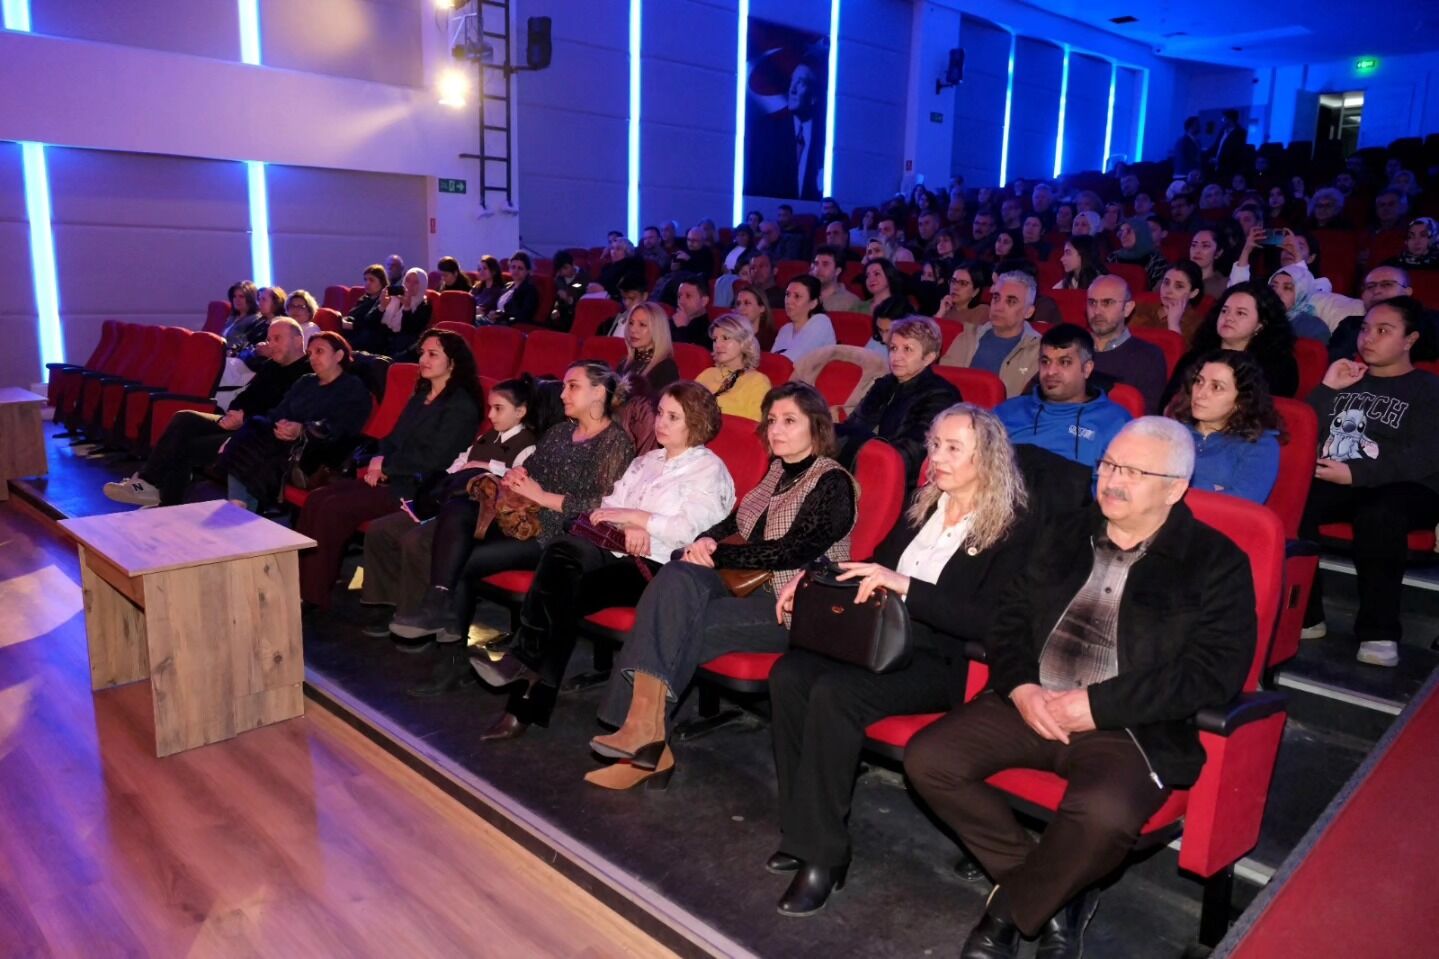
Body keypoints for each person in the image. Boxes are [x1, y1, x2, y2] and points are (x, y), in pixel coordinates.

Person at [905, 417, 1257, 959]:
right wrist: (1021, 687)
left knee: (1105, 815)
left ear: (1175, 487)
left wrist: (1096, 705)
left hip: (1127, 725)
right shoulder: (1064, 531)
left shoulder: (1215, 561)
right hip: (1031, 702)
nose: (1112, 481)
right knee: (929, 759)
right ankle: (1061, 892)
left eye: (1134, 472)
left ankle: (1009, 911)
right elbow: (1009, 620)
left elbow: (1213, 672)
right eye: (1109, 465)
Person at [768, 404, 1033, 916]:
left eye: (953, 448)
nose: (936, 457)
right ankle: (802, 832)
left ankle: (824, 857)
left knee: (833, 693)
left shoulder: (1010, 530)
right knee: (789, 673)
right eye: (934, 444)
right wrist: (813, 581)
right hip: (882, 646)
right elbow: (876, 567)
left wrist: (908, 587)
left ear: (990, 459)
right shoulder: (924, 509)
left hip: (945, 662)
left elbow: (992, 622)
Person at [585, 382, 858, 789]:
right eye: (771, 421)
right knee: (675, 578)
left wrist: (719, 555)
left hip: (796, 605)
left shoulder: (833, 483)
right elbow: (737, 520)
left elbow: (789, 551)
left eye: (789, 421)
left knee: (675, 621)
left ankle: (647, 740)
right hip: (747, 587)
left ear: (816, 427)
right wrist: (704, 540)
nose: (777, 430)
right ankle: (645, 735)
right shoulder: (777, 471)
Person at [468, 383, 736, 736]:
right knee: (561, 551)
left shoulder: (708, 471)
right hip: (614, 546)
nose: (661, 423)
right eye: (660, 414)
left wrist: (639, 520)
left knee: (560, 596)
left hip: (657, 568)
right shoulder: (646, 461)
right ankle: (524, 667)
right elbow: (606, 509)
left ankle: (524, 688)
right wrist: (627, 520)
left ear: (697, 423)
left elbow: (692, 533)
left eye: (674, 417)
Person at [295, 329, 483, 609]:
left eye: (433, 354)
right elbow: (392, 438)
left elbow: (437, 459)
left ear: (453, 362)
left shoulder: (461, 405)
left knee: (333, 509)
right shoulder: (421, 396)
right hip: (391, 476)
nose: (423, 359)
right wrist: (378, 459)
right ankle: (302, 583)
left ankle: (312, 595)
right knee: (320, 498)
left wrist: (387, 469)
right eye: (422, 353)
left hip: (418, 488)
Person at [357, 373, 548, 641]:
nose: (491, 415)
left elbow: (516, 483)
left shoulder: (528, 445)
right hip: (447, 502)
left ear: (521, 411)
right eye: (490, 408)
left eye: (499, 409)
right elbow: (456, 466)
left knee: (416, 542)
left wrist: (485, 467)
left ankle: (418, 616)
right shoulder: (486, 438)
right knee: (381, 530)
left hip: (478, 514)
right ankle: (385, 605)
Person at [1301, 297, 1439, 668]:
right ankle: (1306, 616)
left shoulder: (1427, 387)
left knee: (1380, 514)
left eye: (1383, 331)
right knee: (1298, 499)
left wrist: (1357, 474)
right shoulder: (1348, 379)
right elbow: (1300, 431)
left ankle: (1379, 631)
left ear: (1410, 339)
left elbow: (1425, 456)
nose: (1368, 338)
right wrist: (1328, 387)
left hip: (1410, 486)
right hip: (1343, 479)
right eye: (1365, 329)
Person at [103, 318, 311, 507]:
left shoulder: (306, 372)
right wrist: (235, 413)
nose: (270, 345)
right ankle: (148, 483)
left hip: (259, 433)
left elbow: (284, 410)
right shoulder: (271, 367)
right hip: (241, 422)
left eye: (277, 339)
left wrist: (243, 418)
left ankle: (164, 501)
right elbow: (245, 396)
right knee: (184, 418)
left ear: (297, 339)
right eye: (269, 339)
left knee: (185, 445)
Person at [219, 331, 373, 511]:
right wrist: (281, 426)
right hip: (283, 440)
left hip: (317, 450)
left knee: (251, 442)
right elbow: (278, 412)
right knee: (255, 427)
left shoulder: (352, 388)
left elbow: (341, 427)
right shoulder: (306, 381)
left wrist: (301, 430)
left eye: (320, 351)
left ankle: (239, 506)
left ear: (339, 355)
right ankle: (240, 506)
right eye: (310, 353)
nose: (313, 358)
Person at [834, 317, 960, 491]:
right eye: (893, 348)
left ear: (929, 357)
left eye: (907, 349)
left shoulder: (941, 395)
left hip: (897, 484)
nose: (896, 356)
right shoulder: (884, 384)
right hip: (857, 468)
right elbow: (851, 426)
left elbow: (912, 455)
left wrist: (860, 455)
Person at [996, 324, 1131, 469]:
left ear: (1086, 369)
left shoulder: (1114, 422)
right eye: (1045, 362)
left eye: (1064, 362)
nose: (1050, 371)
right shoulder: (1007, 412)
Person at [1164, 350, 1281, 503]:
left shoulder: (1259, 444)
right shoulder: (1172, 430)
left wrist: (1173, 483)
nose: (1200, 393)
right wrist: (1213, 489)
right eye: (1199, 381)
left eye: (1216, 387)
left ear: (1241, 401)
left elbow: (1241, 505)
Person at [1163, 283, 1299, 408]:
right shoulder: (1195, 357)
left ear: (1260, 324)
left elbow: (1266, 413)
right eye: (1224, 311)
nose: (1228, 317)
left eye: (1240, 313)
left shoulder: (1279, 367)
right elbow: (1168, 404)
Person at [940, 271, 1043, 398]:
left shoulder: (1039, 351)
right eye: (996, 298)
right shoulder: (967, 337)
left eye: (1011, 301)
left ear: (1028, 312)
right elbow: (941, 386)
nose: (998, 307)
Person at [1085, 275, 1169, 413]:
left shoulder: (1149, 357)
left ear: (1128, 308)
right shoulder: (1071, 347)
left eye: (1107, 303)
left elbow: (1145, 419)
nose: (1097, 311)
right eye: (1092, 302)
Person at [746, 61, 825, 200]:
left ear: (814, 97)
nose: (792, 89)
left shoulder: (825, 139)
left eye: (801, 82)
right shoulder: (767, 132)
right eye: (792, 81)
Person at [696, 313, 773, 421]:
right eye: (715, 339)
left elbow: (753, 428)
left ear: (743, 340)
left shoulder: (757, 382)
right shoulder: (706, 374)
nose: (717, 345)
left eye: (725, 338)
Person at [1131, 260, 1207, 346]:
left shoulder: (1196, 324)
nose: (1168, 291)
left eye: (1179, 286)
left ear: (1193, 293)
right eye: (1166, 283)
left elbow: (1181, 355)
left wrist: (1174, 324)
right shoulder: (1141, 308)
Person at [772, 275, 836, 361]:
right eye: (787, 294)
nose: (788, 301)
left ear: (813, 303)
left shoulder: (821, 322)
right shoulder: (785, 329)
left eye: (797, 296)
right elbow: (772, 360)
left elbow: (791, 360)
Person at [617, 302, 679, 390]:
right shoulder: (625, 363)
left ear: (657, 330)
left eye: (642, 325)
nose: (633, 329)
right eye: (631, 323)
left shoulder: (666, 368)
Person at [1269, 265, 1330, 344]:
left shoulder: (1313, 329)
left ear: (1301, 294)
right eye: (1273, 286)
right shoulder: (1258, 317)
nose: (1277, 293)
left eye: (1287, 288)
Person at [1107, 217, 1169, 291]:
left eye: (1128, 231)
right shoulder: (1113, 257)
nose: (1123, 236)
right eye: (1121, 232)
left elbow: (1156, 293)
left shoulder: (1157, 260)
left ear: (1141, 233)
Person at [936, 261, 992, 328]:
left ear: (975, 291)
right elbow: (928, 335)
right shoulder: (945, 310)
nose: (955, 287)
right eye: (953, 281)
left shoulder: (983, 311)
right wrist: (940, 312)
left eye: (963, 283)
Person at [490, 252, 539, 326]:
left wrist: (502, 316)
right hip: (496, 323)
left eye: (520, 268)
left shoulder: (530, 290)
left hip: (510, 326)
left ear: (528, 271)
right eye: (513, 267)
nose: (516, 271)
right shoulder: (507, 286)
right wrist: (492, 313)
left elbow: (523, 315)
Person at [812, 245, 862, 313]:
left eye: (825, 264)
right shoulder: (804, 296)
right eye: (816, 264)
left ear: (837, 271)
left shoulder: (851, 301)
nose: (817, 269)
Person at [732, 282, 780, 351]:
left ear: (761, 308)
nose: (740, 308)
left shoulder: (773, 339)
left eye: (747, 303)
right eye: (738, 304)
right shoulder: (730, 335)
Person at [671, 275, 714, 349]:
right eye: (679, 296)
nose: (681, 301)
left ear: (704, 301)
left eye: (688, 296)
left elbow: (689, 357)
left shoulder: (710, 332)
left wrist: (681, 329)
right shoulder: (671, 322)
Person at [1208, 109, 1248, 180]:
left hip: (1228, 169)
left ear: (1230, 119)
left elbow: (1235, 152)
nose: (1222, 121)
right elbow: (1216, 146)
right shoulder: (1223, 131)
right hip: (1216, 167)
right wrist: (1209, 156)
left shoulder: (1240, 132)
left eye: (1224, 119)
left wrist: (1219, 160)